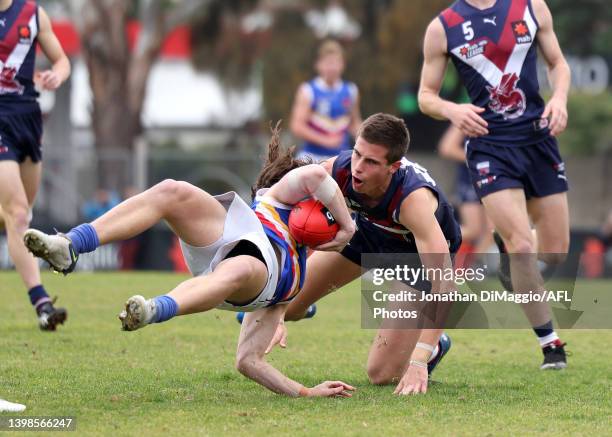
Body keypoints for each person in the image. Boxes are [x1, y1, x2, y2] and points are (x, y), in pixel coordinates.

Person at [23, 128, 357, 398]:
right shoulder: (278, 199)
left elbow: (248, 361)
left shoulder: (295, 280)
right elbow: (315, 175)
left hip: (256, 277)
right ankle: (70, 245)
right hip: (231, 231)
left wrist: (305, 393)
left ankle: (153, 310)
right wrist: (347, 225)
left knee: (241, 266)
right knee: (172, 191)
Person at [418, 0, 571, 369]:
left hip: (539, 140)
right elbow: (426, 96)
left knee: (554, 253)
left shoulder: (531, 7)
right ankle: (551, 344)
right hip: (490, 145)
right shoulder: (444, 26)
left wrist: (560, 98)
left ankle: (507, 254)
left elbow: (558, 64)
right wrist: (453, 110)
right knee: (522, 244)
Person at [266, 113, 462, 395]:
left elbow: (445, 286)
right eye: (357, 153)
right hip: (366, 235)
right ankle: (300, 303)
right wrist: (279, 305)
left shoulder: (412, 201)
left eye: (371, 162)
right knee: (288, 306)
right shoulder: (338, 169)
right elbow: (280, 209)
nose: (358, 167)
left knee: (381, 374)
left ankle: (436, 345)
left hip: (414, 259)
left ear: (393, 167)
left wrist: (419, 358)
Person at [0, 0, 71, 330]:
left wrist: (57, 74)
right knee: (16, 213)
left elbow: (62, 60)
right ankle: (42, 301)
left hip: (27, 117)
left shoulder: (32, 13)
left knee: (20, 216)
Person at [290, 39, 362, 162]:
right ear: (318, 65)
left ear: (342, 64)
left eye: (335, 63)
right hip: (312, 157)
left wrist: (369, 138)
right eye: (328, 63)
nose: (332, 67)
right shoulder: (308, 90)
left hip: (341, 157)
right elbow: (297, 126)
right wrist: (325, 141)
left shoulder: (351, 90)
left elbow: (355, 123)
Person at [438, 125, 493, 265]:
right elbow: (447, 147)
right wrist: (481, 162)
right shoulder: (469, 113)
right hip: (471, 181)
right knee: (474, 230)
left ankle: (472, 268)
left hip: (495, 180)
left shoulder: (506, 115)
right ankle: (422, 242)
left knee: (493, 231)